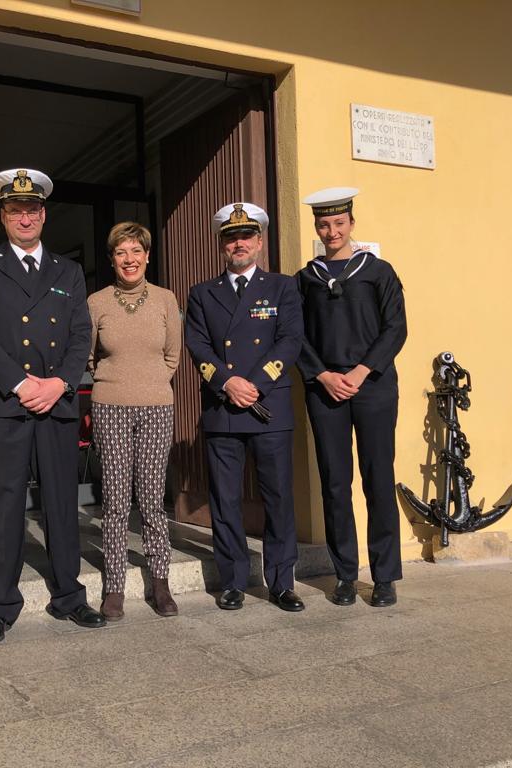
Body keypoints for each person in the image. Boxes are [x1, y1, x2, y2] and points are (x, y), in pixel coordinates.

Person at [0, 168, 106, 645]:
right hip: (7, 403)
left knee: (62, 503)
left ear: (44, 214)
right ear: (4, 216)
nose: (25, 218)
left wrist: (61, 381)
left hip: (57, 402)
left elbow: (81, 332)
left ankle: (69, 596)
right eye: (15, 210)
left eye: (33, 210)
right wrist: (22, 384)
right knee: (1, 507)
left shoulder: (68, 271)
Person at [184, 202, 305, 613]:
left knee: (278, 499)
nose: (240, 243)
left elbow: (290, 340)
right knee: (226, 500)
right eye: (231, 237)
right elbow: (197, 345)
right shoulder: (203, 293)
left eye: (247, 236)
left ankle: (282, 582)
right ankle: (233, 580)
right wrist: (226, 381)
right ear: (222, 244)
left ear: (259, 241)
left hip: (267, 406)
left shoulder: (282, 287)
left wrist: (255, 383)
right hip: (224, 410)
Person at [297, 187, 407, 608]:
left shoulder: (378, 272)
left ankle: (384, 577)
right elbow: (296, 337)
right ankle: (345, 574)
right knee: (335, 484)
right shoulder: (305, 279)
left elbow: (395, 329)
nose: (332, 231)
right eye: (324, 225)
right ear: (317, 228)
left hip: (373, 387)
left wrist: (360, 372)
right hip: (326, 392)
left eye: (339, 223)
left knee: (378, 480)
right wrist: (324, 375)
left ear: (351, 224)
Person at [87, 221, 182, 620]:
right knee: (114, 500)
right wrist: (114, 382)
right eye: (121, 252)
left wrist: (152, 383)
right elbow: (90, 356)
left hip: (156, 407)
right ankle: (114, 586)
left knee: (151, 498)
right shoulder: (96, 302)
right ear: (112, 259)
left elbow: (173, 355)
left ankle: (159, 581)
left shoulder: (165, 299)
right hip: (110, 405)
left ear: (147, 256)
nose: (130, 259)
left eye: (136, 251)